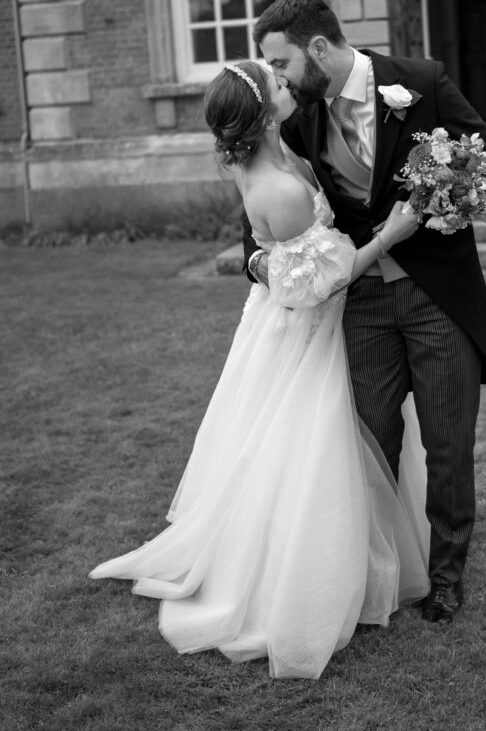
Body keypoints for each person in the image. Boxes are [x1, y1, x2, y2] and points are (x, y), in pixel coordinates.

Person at [90, 59, 430, 680]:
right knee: (304, 449)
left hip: (276, 318)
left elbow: (281, 261)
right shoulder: (281, 187)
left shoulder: (272, 157)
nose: (286, 81)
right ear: (262, 110)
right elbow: (319, 285)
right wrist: (392, 234)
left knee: (280, 445)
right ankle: (303, 574)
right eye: (274, 82)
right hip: (302, 332)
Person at [244, 0, 486, 623]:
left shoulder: (419, 83)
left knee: (447, 443)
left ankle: (445, 575)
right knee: (366, 441)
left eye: (280, 64)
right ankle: (372, 569)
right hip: (359, 303)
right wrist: (260, 265)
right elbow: (260, 208)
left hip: (437, 295)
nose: (274, 79)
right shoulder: (302, 117)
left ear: (317, 49)